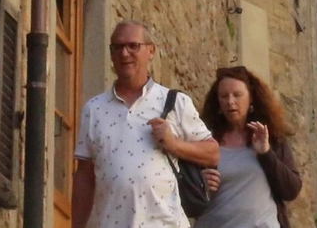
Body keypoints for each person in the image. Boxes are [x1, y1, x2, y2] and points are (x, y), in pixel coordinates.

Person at [72, 20, 220, 228]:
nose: (125, 53)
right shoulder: (94, 109)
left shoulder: (174, 102)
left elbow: (213, 152)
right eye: (118, 47)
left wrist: (173, 144)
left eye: (133, 46)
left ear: (151, 51)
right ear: (111, 54)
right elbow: (84, 177)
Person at [196, 65, 301, 228]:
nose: (230, 101)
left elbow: (291, 190)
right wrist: (199, 183)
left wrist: (266, 154)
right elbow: (183, 194)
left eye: (237, 95)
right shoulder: (205, 139)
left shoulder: (271, 137)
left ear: (251, 98)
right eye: (224, 96)